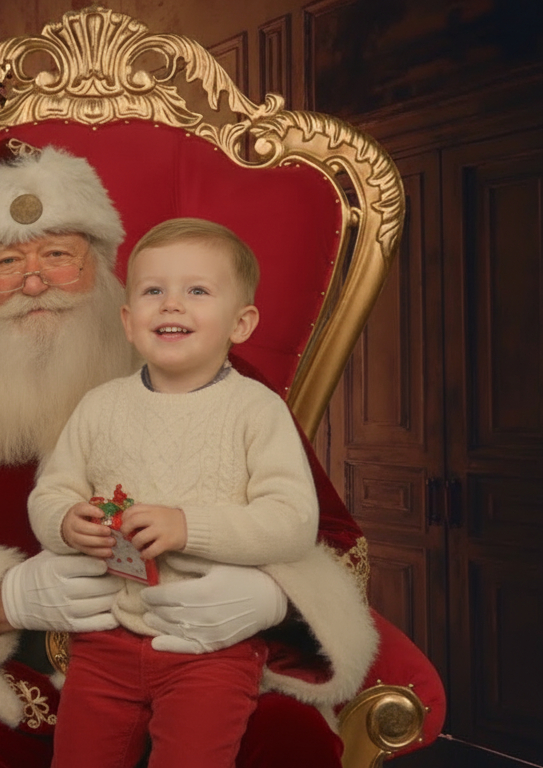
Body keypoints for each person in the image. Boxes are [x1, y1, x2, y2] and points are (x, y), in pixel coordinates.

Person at [0, 142, 378, 768]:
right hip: (10, 689)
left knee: (290, 736)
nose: (33, 281)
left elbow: (336, 542)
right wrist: (2, 600)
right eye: (6, 262)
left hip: (202, 666)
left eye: (58, 255)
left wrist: (270, 597)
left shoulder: (226, 386)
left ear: (103, 264)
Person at [29, 218, 365, 767]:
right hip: (104, 642)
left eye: (197, 291)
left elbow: (294, 522)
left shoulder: (257, 410)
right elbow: (51, 493)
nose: (171, 304)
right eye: (153, 290)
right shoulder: (99, 406)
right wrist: (65, 521)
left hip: (211, 646)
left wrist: (189, 527)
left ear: (241, 323)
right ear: (128, 321)